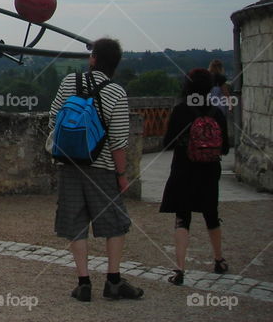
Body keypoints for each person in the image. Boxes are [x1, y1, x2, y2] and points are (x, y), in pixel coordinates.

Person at [49, 37, 142, 302]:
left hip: (68, 163)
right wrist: (121, 175)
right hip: (100, 167)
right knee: (115, 222)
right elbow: (119, 141)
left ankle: (83, 283)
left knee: (75, 223)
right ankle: (113, 281)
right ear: (115, 64)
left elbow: (54, 118)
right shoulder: (117, 92)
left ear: (93, 59)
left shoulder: (70, 82)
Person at [159, 68, 231, 285]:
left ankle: (180, 270)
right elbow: (226, 148)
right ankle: (219, 259)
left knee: (182, 218)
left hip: (184, 169)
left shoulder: (181, 110)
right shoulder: (216, 113)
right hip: (209, 171)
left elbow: (167, 143)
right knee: (211, 215)